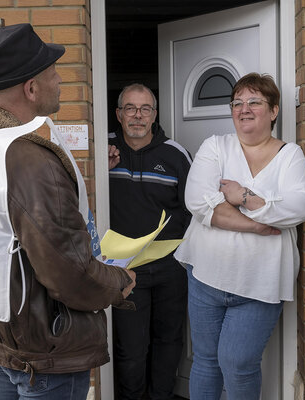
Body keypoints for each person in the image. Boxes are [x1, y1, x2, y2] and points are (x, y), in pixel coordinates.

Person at [0, 23, 136, 400]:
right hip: (45, 351)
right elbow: (70, 276)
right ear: (31, 88)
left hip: (0, 340)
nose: (60, 82)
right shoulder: (29, 162)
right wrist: (119, 283)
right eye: (54, 74)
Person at [173, 72, 305, 399]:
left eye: (254, 102)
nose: (244, 109)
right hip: (206, 274)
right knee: (206, 361)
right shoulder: (216, 146)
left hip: (261, 282)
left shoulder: (289, 155)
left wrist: (243, 197)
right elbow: (197, 202)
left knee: (238, 363)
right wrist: (260, 222)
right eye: (237, 103)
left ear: (274, 110)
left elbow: (299, 207)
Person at [108, 83, 192, 399]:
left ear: (154, 115)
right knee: (130, 346)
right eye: (130, 108)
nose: (138, 116)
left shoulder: (175, 154)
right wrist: (99, 170)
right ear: (118, 114)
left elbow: (194, 208)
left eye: (145, 109)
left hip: (171, 266)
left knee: (169, 341)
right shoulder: (103, 150)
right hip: (124, 268)